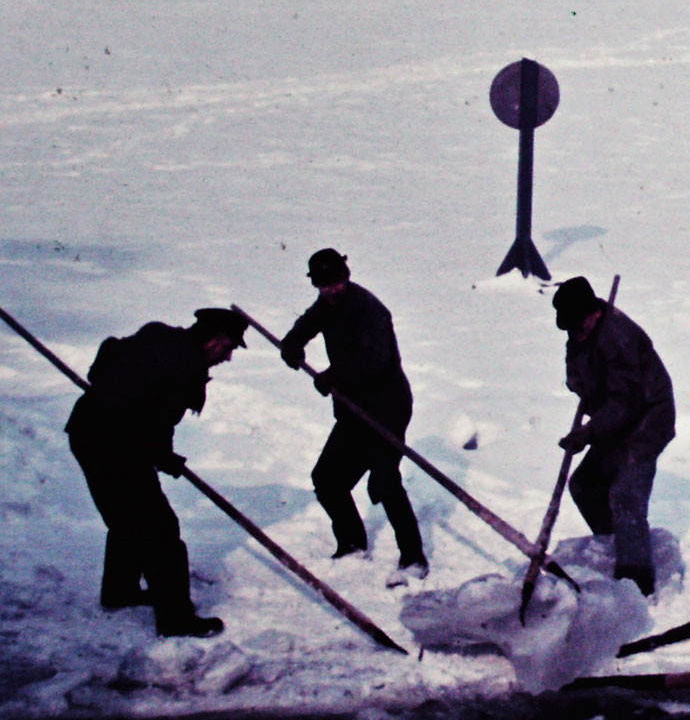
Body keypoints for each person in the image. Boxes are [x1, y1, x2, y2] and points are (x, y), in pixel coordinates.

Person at [66, 307, 246, 637]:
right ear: (213, 340)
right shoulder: (188, 367)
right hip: (113, 444)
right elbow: (159, 423)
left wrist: (109, 391)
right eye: (229, 346)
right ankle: (176, 619)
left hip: (87, 430)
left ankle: (120, 591)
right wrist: (163, 456)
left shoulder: (158, 333)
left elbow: (108, 351)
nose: (229, 356)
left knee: (126, 517)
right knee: (160, 530)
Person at [279, 249, 426, 586]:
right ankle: (352, 543)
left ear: (346, 276)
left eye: (336, 282)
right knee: (327, 478)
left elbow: (376, 360)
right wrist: (293, 342)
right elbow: (310, 322)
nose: (331, 290)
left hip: (386, 406)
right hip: (352, 408)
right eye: (323, 285)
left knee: (385, 481)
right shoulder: (328, 304)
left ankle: (414, 557)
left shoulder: (369, 309)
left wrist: (335, 375)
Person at [554, 276, 674, 596]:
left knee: (626, 495)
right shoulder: (580, 330)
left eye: (577, 326)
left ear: (593, 313)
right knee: (585, 485)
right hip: (616, 417)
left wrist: (589, 432)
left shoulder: (619, 338)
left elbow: (626, 400)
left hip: (648, 418)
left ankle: (637, 582)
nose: (573, 334)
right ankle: (616, 545)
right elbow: (579, 374)